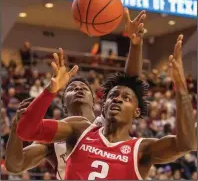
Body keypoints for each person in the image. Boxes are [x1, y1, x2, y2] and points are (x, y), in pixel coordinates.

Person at [16, 34, 197, 180]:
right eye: (112, 96)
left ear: (137, 112)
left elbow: (186, 144)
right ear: (103, 108)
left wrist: (180, 86)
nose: (117, 99)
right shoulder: (79, 130)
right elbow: (26, 130)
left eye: (125, 98)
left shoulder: (142, 150)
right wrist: (51, 90)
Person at [6, 8, 147, 179]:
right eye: (72, 89)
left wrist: (135, 44)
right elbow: (15, 165)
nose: (79, 89)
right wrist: (16, 126)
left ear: (96, 100)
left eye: (84, 88)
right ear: (64, 103)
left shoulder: (107, 123)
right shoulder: (56, 138)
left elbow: (130, 84)